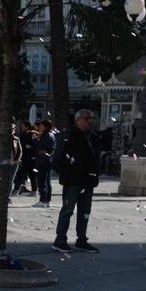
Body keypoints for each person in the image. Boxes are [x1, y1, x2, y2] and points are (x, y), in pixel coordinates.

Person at [52, 109, 101, 254]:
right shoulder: (68, 135)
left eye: (92, 118)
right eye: (86, 118)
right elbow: (57, 159)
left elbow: (95, 158)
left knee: (85, 211)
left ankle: (82, 240)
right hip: (72, 180)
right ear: (78, 120)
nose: (90, 120)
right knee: (67, 210)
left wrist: (95, 174)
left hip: (88, 180)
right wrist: (68, 172)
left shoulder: (93, 137)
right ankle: (60, 240)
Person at [32, 120, 56, 208]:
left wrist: (35, 140)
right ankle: (47, 200)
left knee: (41, 180)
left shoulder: (46, 135)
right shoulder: (51, 135)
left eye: (41, 125)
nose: (39, 127)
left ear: (46, 127)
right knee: (47, 181)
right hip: (48, 160)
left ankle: (43, 200)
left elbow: (41, 147)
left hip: (43, 160)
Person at [12, 121, 37, 196]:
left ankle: (34, 191)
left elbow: (36, 145)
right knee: (21, 174)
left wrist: (31, 149)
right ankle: (17, 189)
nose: (22, 127)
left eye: (23, 126)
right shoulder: (24, 134)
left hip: (29, 158)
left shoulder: (31, 134)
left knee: (30, 175)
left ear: (27, 126)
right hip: (24, 157)